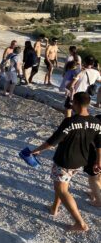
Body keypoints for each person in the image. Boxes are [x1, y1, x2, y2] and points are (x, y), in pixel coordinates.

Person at [31, 92, 101, 232]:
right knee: (61, 185)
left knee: (63, 190)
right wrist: (99, 161)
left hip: (65, 161)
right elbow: (99, 144)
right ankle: (54, 208)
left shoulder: (70, 121)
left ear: (75, 103)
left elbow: (52, 142)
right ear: (88, 103)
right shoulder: (96, 122)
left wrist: (36, 150)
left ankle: (80, 223)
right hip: (81, 160)